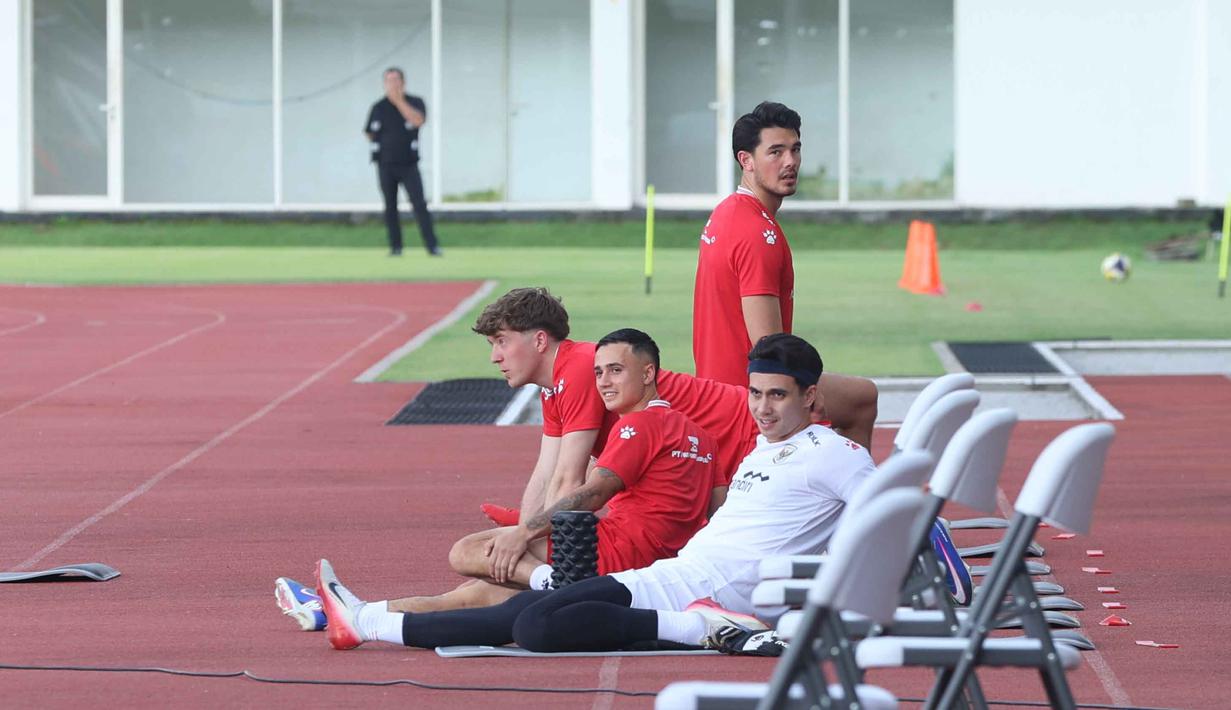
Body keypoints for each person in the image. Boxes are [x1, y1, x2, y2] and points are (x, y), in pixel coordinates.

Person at [313, 333, 876, 654]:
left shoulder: (833, 453)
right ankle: (362, 623)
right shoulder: (759, 445)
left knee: (534, 622)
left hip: (704, 591)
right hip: (678, 571)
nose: (761, 408)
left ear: (809, 395)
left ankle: (707, 630)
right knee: (525, 608)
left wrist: (892, 590)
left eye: (777, 396)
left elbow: (900, 516)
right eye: (754, 394)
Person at [693, 101, 878, 441]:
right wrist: (807, 397)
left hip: (715, 385)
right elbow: (769, 349)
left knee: (855, 394)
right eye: (775, 152)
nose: (790, 161)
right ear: (746, 161)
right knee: (862, 399)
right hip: (746, 395)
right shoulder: (757, 234)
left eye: (795, 150)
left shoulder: (727, 211)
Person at [365, 67, 440, 257]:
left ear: (403, 82)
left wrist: (399, 101)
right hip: (385, 163)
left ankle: (432, 246)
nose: (392, 84)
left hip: (408, 163)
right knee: (390, 206)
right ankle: (396, 247)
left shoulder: (415, 102)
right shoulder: (378, 107)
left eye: (396, 79)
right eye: (389, 80)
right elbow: (369, 131)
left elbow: (417, 120)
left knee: (419, 204)